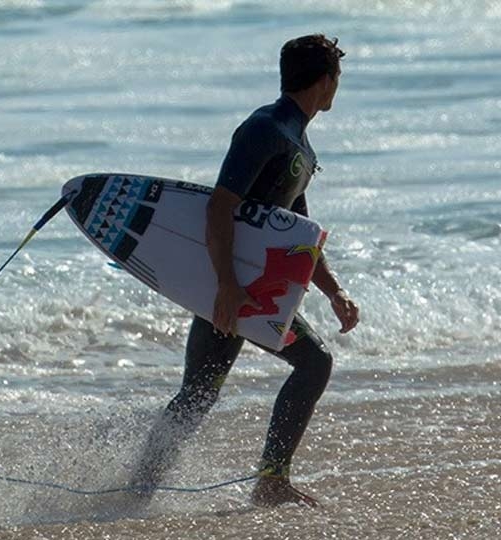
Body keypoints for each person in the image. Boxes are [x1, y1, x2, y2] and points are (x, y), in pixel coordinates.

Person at [132, 34, 358, 508]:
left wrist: (333, 291)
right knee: (307, 365)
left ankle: (138, 489)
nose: (338, 87)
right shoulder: (265, 130)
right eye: (338, 77)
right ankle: (265, 483)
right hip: (234, 283)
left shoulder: (297, 142)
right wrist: (228, 287)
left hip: (246, 282)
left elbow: (295, 235)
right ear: (325, 81)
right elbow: (219, 207)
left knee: (199, 394)